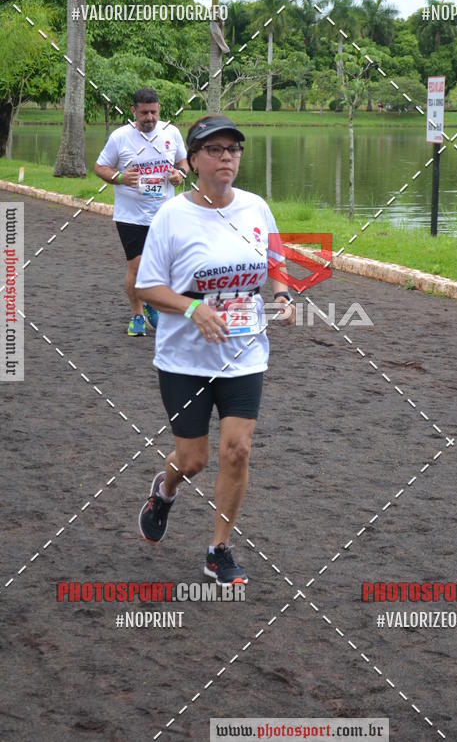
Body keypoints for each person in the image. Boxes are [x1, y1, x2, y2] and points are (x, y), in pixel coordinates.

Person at [135, 115, 295, 585]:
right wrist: (192, 310)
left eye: (233, 149)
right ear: (193, 160)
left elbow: (276, 259)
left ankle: (217, 550)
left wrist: (282, 294)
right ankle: (164, 492)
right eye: (215, 149)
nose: (226, 157)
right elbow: (148, 287)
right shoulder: (172, 216)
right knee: (194, 460)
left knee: (237, 451)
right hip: (184, 359)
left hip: (245, 353)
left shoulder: (254, 208)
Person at [94, 88, 188, 336]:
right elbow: (100, 167)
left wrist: (181, 175)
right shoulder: (120, 137)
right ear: (133, 111)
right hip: (131, 215)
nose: (149, 117)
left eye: (154, 112)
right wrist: (120, 177)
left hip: (164, 213)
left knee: (164, 267)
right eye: (144, 112)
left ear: (159, 110)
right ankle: (137, 314)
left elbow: (184, 162)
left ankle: (153, 304)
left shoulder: (171, 133)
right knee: (136, 266)